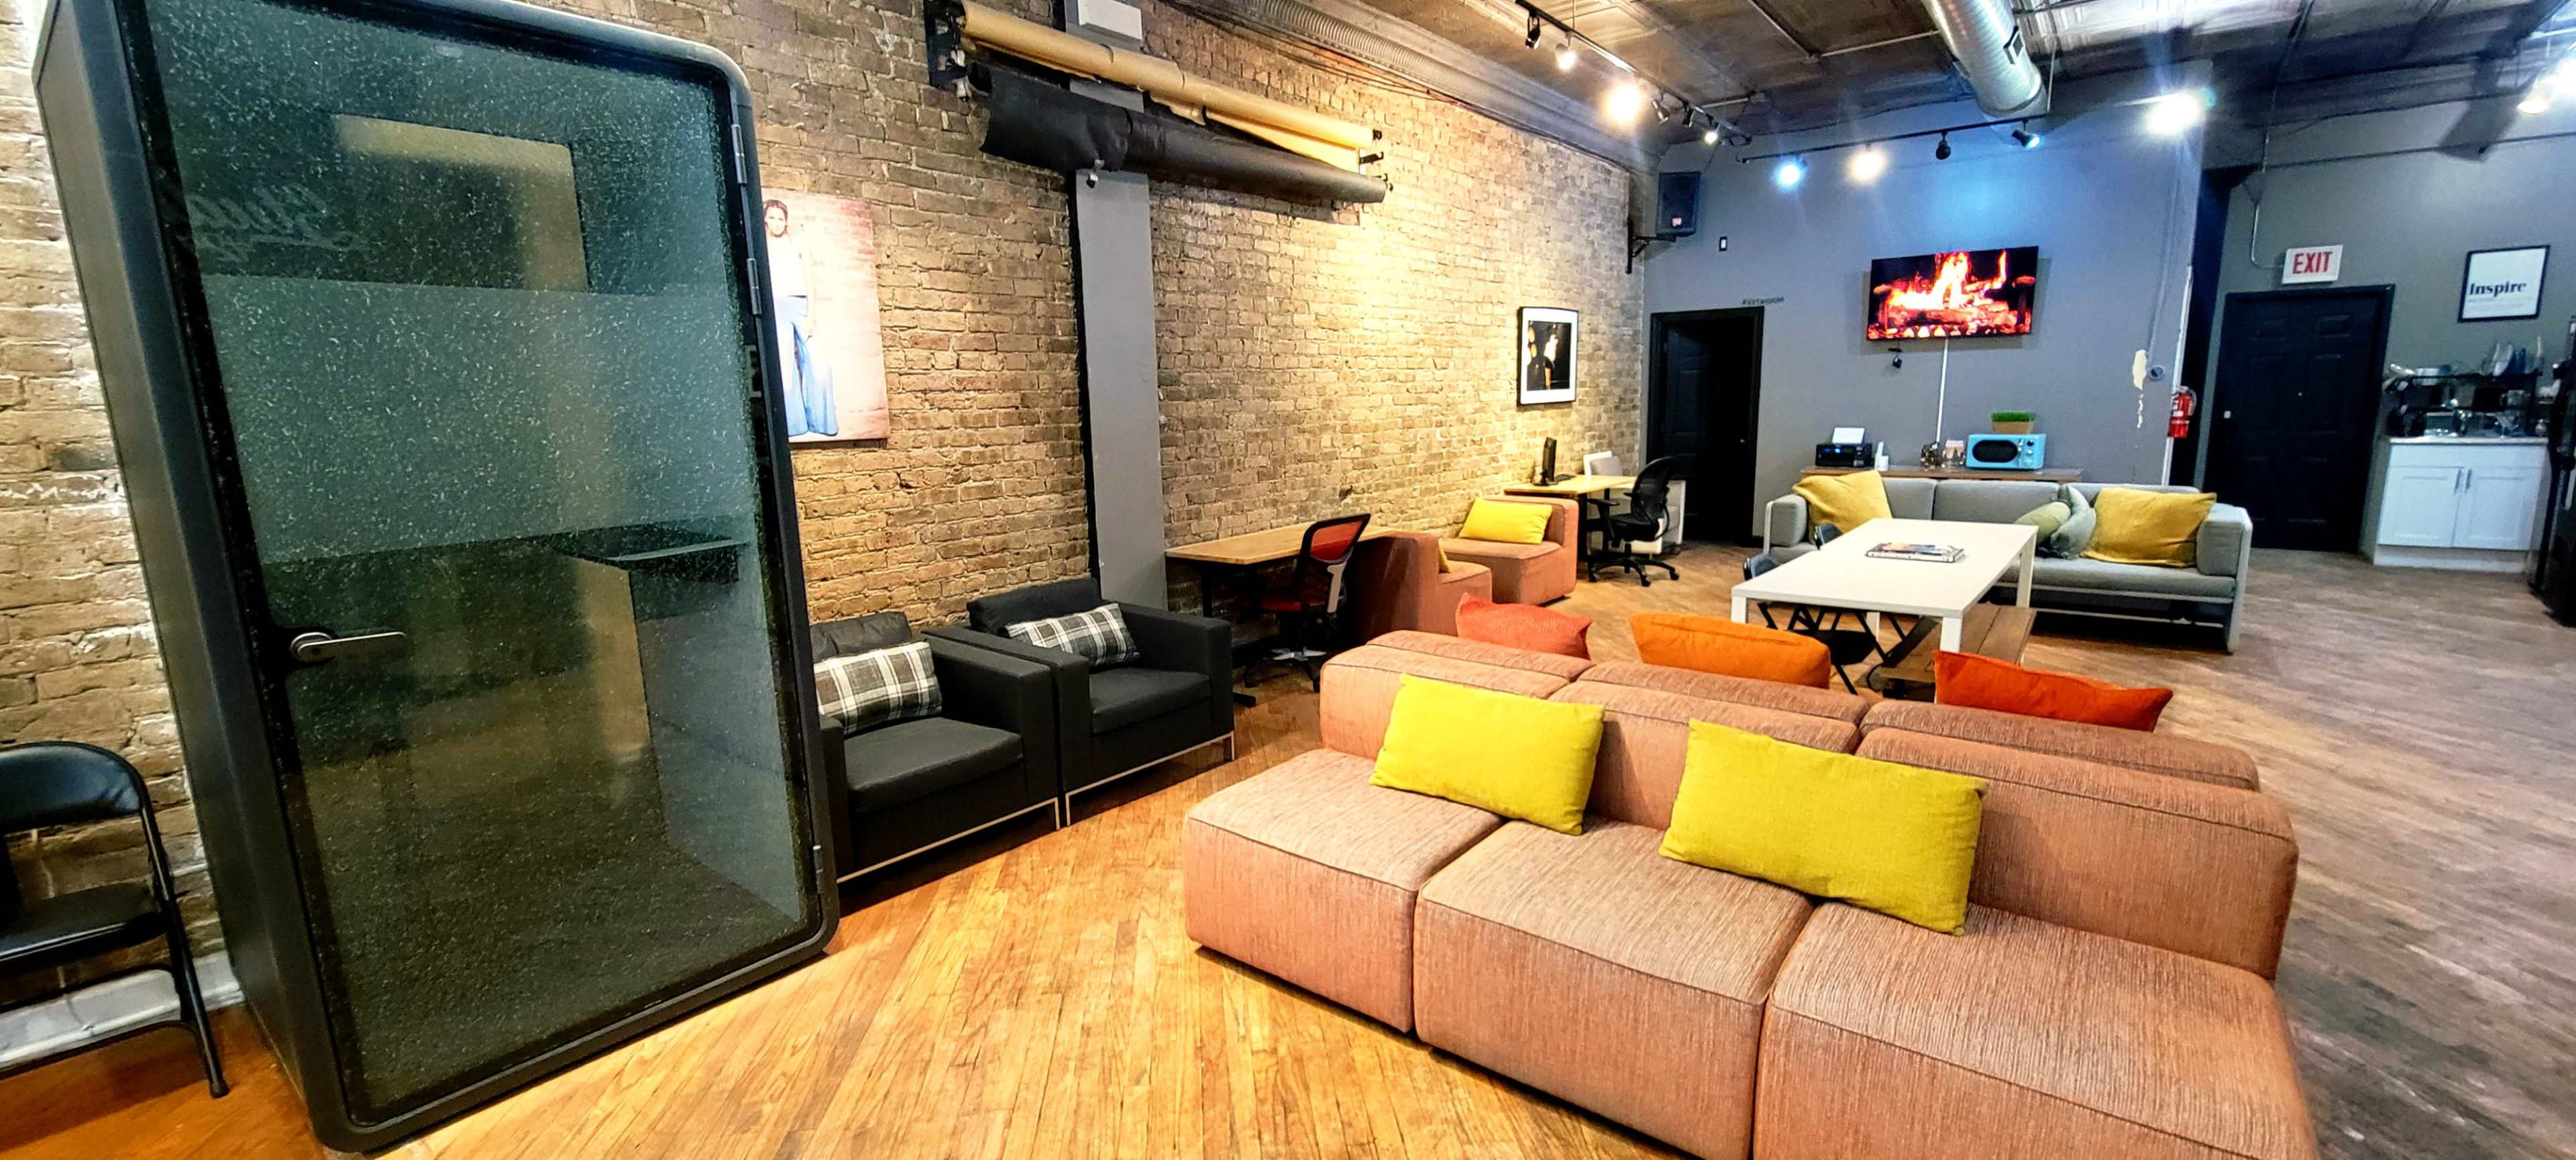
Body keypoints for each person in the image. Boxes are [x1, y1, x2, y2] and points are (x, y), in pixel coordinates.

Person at [764, 199, 838, 437]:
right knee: (785, 367)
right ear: (765, 219)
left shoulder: (798, 243)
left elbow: (810, 280)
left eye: (781, 218)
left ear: (787, 221)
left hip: (800, 304)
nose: (777, 222)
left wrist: (812, 313)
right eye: (772, 217)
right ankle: (793, 426)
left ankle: (822, 422)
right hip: (775, 306)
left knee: (819, 364)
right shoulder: (762, 246)